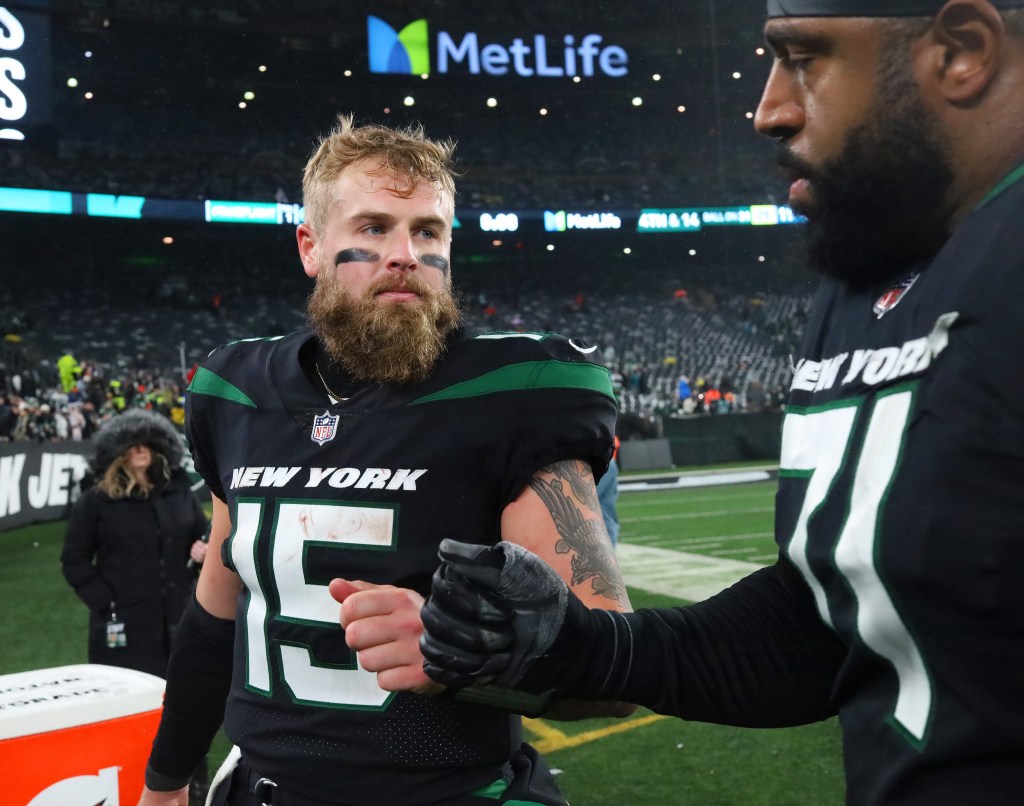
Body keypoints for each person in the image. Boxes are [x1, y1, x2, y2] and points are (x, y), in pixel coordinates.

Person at [415, 2, 1024, 804]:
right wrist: (581, 644)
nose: (769, 107)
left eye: (805, 58)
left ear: (961, 53)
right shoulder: (862, 283)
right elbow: (824, 625)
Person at [139, 115, 630, 806]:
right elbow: (215, 620)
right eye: (373, 228)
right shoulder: (235, 391)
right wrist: (165, 782)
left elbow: (612, 669)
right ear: (311, 246)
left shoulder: (517, 391)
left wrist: (456, 656)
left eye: (427, 230)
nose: (404, 252)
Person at [60, 410, 210, 797]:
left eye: (147, 441)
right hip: (125, 630)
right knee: (131, 710)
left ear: (160, 447)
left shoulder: (179, 491)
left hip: (181, 622)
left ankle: (193, 787)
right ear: (117, 452)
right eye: (131, 443)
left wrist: (204, 549)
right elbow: (74, 559)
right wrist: (107, 604)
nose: (140, 449)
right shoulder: (97, 500)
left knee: (186, 709)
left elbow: (200, 536)